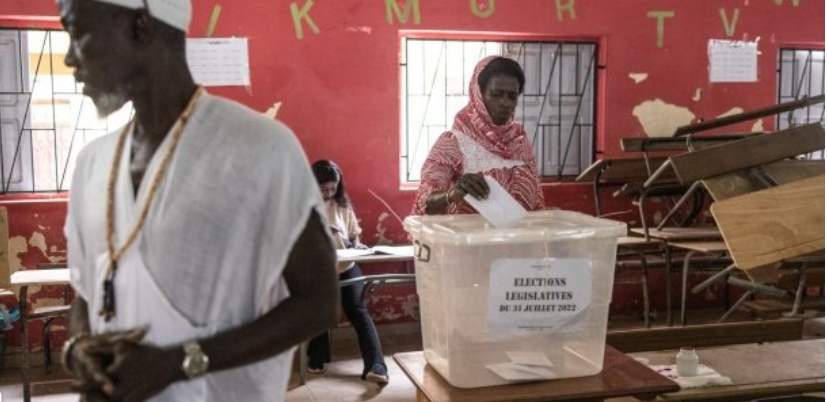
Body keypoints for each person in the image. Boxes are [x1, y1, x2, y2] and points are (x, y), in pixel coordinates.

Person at [59, 1, 338, 401]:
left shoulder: (259, 147)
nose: (69, 57)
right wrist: (79, 348)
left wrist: (178, 362)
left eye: (77, 32)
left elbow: (320, 301)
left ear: (140, 25)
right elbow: (88, 293)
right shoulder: (91, 163)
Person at [411, 56, 545, 215]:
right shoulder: (454, 142)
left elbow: (536, 199)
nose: (505, 103)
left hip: (518, 238)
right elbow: (425, 203)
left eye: (512, 96)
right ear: (479, 95)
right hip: (469, 239)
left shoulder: (519, 141)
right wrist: (452, 194)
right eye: (496, 94)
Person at [306, 160, 389, 385]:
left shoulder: (342, 204)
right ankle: (317, 356)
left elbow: (354, 234)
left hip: (347, 265)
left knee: (358, 309)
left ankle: (376, 365)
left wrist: (357, 243)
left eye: (333, 188)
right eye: (324, 189)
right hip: (318, 269)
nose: (329, 193)